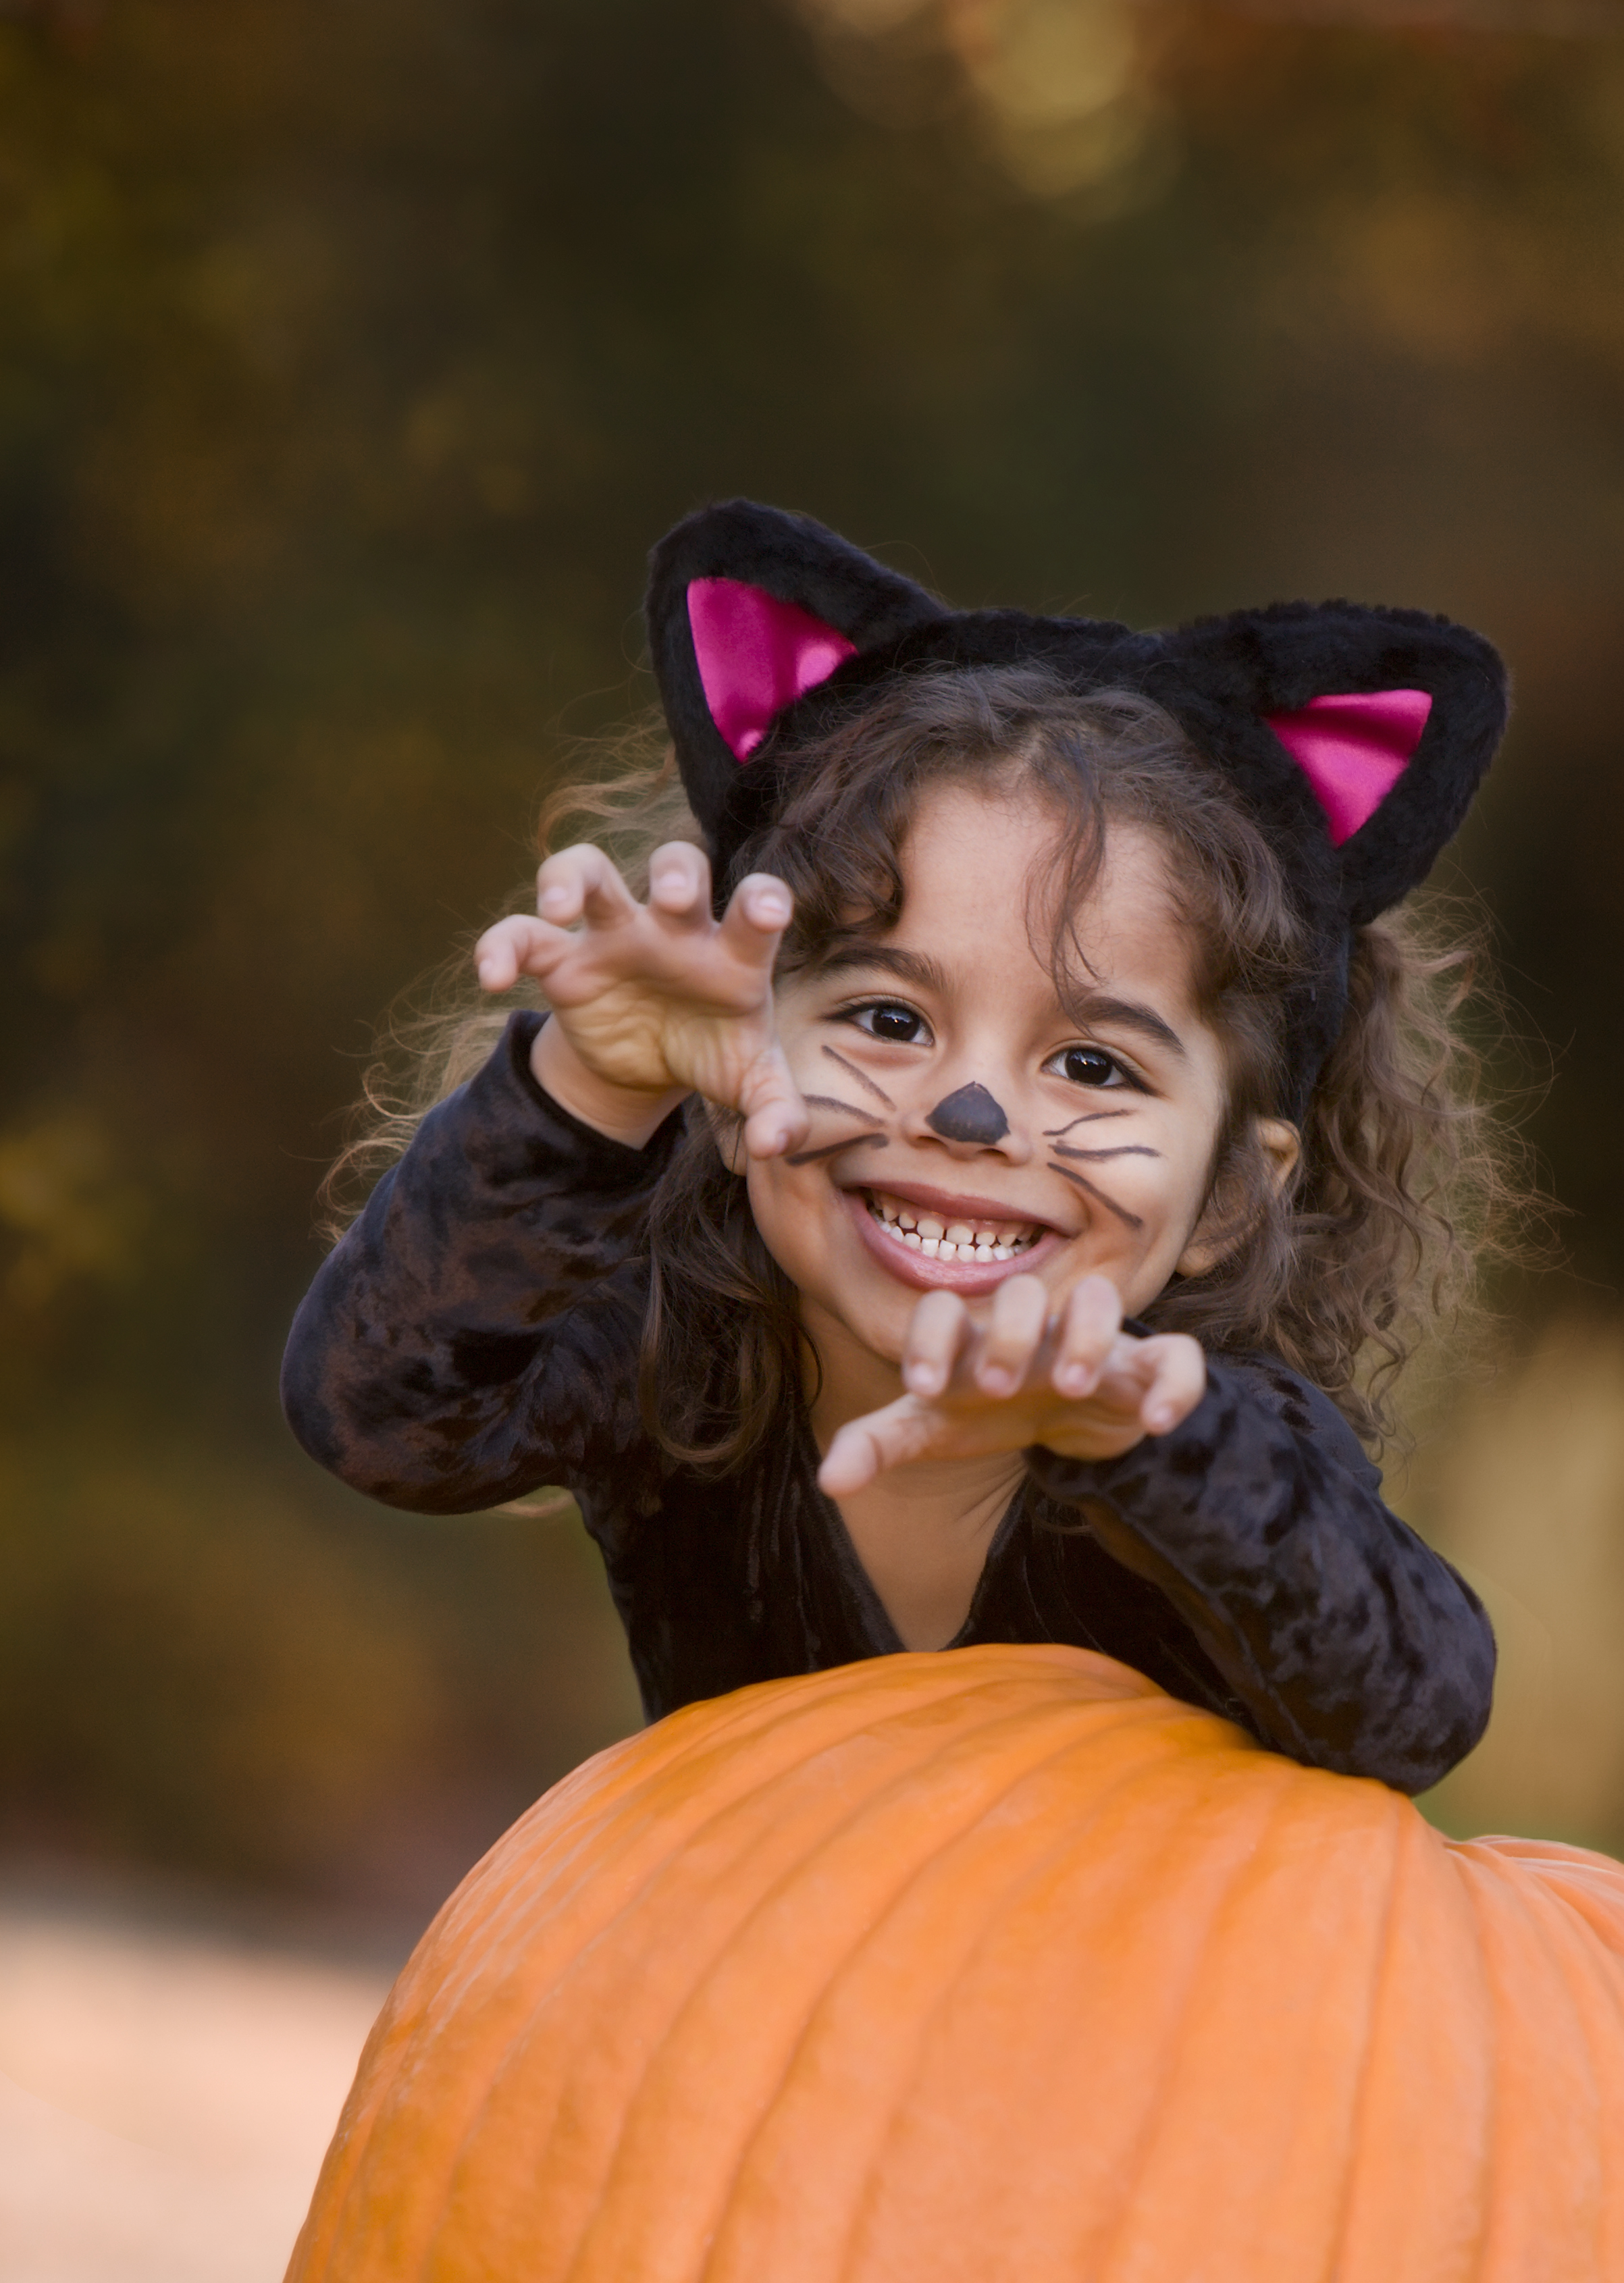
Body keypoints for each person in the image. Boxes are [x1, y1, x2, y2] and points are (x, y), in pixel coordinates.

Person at [285, 502, 1522, 1792]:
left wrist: (1141, 1444)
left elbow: (1414, 1704)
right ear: (732, 1071)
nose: (968, 1112)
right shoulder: (684, 1361)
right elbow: (382, 1414)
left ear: (1227, 1195)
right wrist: (589, 1080)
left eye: (1092, 1064)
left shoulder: (1219, 1441)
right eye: (889, 1017)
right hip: (717, 1970)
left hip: (1120, 1991)